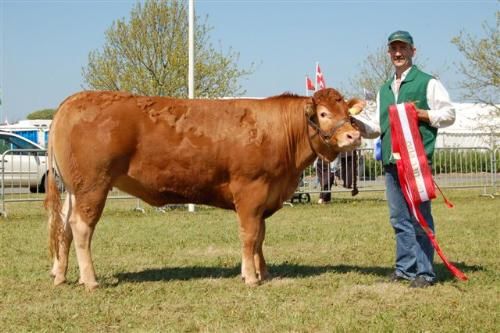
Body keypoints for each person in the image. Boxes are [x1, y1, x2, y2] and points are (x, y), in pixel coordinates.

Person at [354, 30, 456, 288]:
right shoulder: (384, 89)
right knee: (398, 219)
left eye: (403, 48)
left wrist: (422, 114)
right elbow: (379, 127)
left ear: (413, 51)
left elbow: (449, 114)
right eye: (393, 49)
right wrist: (356, 125)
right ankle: (405, 268)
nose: (398, 53)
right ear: (389, 53)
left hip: (416, 163)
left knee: (419, 218)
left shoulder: (428, 82)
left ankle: (425, 272)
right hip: (391, 163)